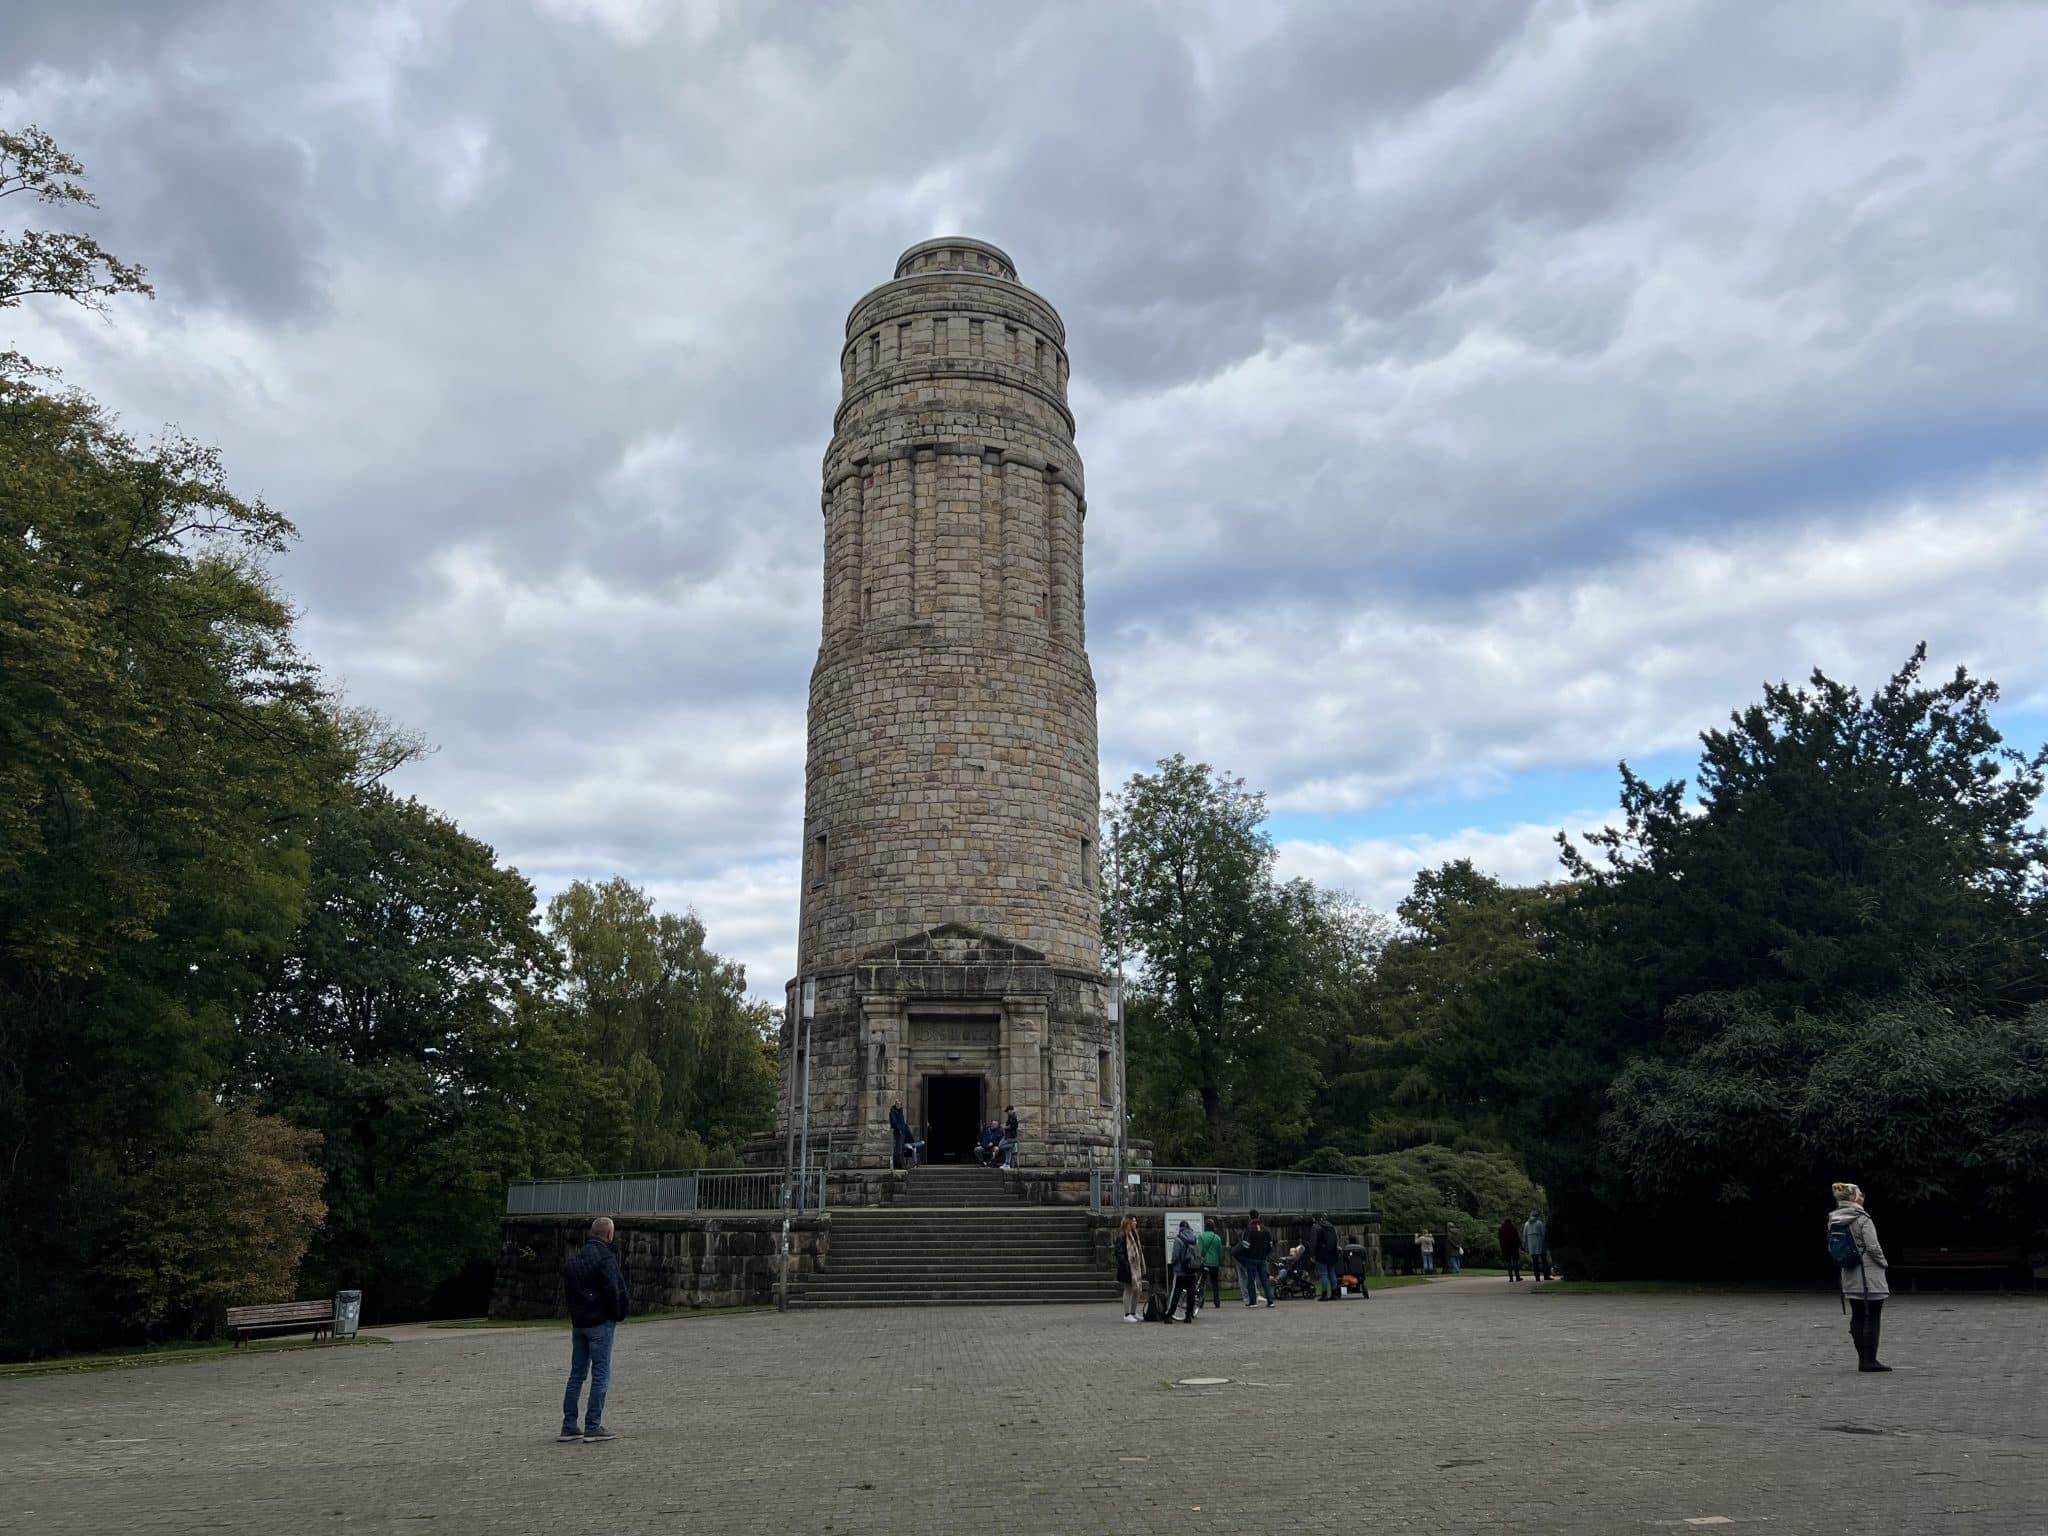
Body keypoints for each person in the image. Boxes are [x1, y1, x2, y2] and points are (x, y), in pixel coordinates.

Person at [559, 1216, 628, 1443]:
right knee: (601, 1373)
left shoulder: (575, 1258)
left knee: (577, 1373)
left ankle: (569, 1425)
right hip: (600, 1323)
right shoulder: (606, 1258)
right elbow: (615, 1289)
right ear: (609, 1235)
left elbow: (568, 1290)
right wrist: (618, 1314)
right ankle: (593, 1425)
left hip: (579, 1323)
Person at [1828, 1181, 1892, 1372]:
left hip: (1848, 1272)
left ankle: (1862, 1359)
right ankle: (1870, 1361)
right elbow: (1873, 1246)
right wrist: (1883, 1263)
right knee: (1873, 1315)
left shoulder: (1834, 1218)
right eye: (1860, 1193)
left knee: (1857, 1315)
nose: (1863, 1196)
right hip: (1869, 1273)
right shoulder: (1862, 1217)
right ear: (1854, 1197)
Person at [1164, 1220, 1202, 1323]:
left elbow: (1175, 1255)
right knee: (1191, 1293)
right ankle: (1188, 1315)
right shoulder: (1194, 1239)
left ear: (1180, 1228)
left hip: (1180, 1271)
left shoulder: (1179, 1239)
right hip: (1191, 1270)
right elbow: (1197, 1253)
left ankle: (1169, 1314)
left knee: (1176, 1293)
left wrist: (1173, 1263)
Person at [1116, 1214, 1147, 1322]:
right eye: (1134, 1221)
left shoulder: (1134, 1234)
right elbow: (1119, 1253)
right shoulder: (1122, 1235)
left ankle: (1133, 1312)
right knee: (1128, 1289)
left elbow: (1138, 1251)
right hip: (1127, 1267)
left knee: (1137, 1290)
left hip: (1135, 1267)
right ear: (1128, 1222)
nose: (1136, 1223)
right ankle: (1127, 1314)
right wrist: (1126, 1266)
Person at [1241, 1210, 1276, 1307]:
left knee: (1251, 1280)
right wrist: (1265, 1253)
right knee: (1264, 1280)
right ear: (1259, 1216)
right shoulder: (1265, 1229)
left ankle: (1253, 1302)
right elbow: (1270, 1244)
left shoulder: (1249, 1229)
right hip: (1262, 1258)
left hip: (1251, 1258)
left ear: (1250, 1217)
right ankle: (1270, 1300)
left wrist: (1246, 1255)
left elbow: (1245, 1245)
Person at [1311, 1213, 1341, 1301]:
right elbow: (1336, 1239)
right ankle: (1334, 1293)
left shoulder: (1316, 1227)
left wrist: (1312, 1254)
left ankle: (1324, 1294)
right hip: (1332, 1252)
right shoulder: (1330, 1226)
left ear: (1315, 1219)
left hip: (1322, 1253)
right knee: (1332, 1273)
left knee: (1324, 1274)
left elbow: (1313, 1243)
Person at [1199, 1222, 1225, 1306]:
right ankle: (1217, 1302)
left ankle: (1201, 1301)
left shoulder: (1201, 1237)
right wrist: (1220, 1262)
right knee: (1215, 1283)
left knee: (1202, 1282)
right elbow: (1220, 1252)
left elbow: (1201, 1250)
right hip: (1215, 1263)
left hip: (1205, 1262)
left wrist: (1202, 1257)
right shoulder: (1217, 1237)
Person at [1525, 1212, 1550, 1281]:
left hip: (1531, 1245)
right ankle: (1546, 1276)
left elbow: (1524, 1235)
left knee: (1535, 1261)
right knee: (1544, 1260)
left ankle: (1537, 1277)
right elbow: (1544, 1233)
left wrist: (1525, 1245)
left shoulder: (1526, 1224)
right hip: (1540, 1244)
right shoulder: (1540, 1223)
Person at [1498, 1217, 1522, 1282]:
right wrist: (1521, 1246)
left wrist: (1501, 1247)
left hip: (1506, 1248)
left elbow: (1500, 1240)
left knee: (1509, 1263)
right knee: (1515, 1262)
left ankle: (1511, 1277)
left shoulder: (1501, 1229)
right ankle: (1517, 1277)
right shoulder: (1513, 1228)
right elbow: (1517, 1238)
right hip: (1514, 1247)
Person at [888, 1099, 911, 1169]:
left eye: (899, 1104)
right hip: (898, 1133)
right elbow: (894, 1123)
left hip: (902, 1132)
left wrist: (905, 1128)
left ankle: (901, 1165)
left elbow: (902, 1122)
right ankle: (900, 1165)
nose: (898, 1105)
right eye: (897, 1104)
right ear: (895, 1104)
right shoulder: (893, 1112)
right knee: (899, 1150)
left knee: (900, 1149)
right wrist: (900, 1129)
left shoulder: (900, 1112)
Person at [1000, 1105, 1019, 1170]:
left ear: (1010, 1110)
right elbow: (1008, 1124)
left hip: (1011, 1136)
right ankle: (1007, 1164)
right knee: (1007, 1150)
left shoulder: (1014, 1117)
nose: (1007, 1113)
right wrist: (1005, 1126)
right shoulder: (1010, 1116)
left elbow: (1014, 1126)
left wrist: (1005, 1127)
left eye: (1007, 1111)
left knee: (1001, 1146)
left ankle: (1012, 1145)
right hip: (1007, 1135)